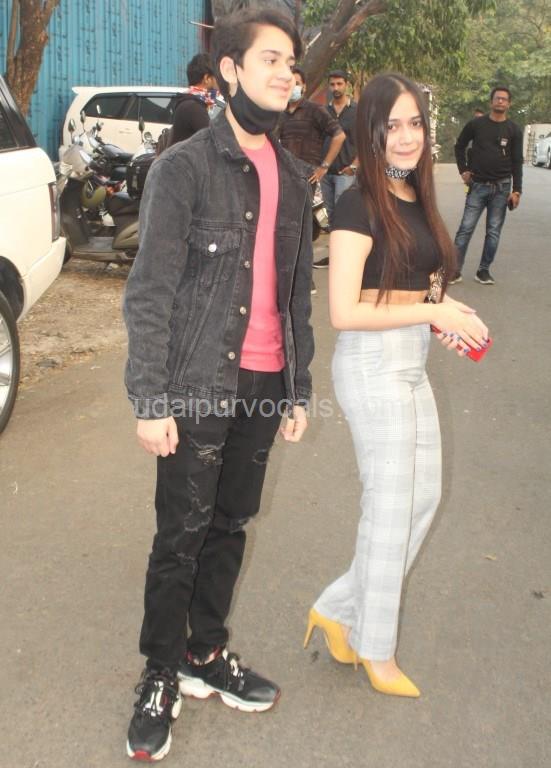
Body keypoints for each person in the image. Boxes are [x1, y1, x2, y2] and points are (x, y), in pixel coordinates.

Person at [123, 8, 314, 761]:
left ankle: (204, 653)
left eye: (290, 63)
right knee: (181, 536)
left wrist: (297, 388)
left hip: (264, 383)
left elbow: (295, 294)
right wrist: (151, 400)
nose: (285, 73)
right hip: (198, 383)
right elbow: (149, 292)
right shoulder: (184, 168)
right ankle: (159, 672)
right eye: (270, 59)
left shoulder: (294, 178)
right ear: (229, 70)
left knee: (230, 525)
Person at [304, 73, 489, 698]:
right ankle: (374, 648)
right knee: (389, 507)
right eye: (392, 126)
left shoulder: (413, 193)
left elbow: (414, 285)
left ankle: (336, 608)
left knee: (423, 496)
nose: (406, 137)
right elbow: (344, 311)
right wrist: (432, 310)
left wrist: (441, 317)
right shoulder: (358, 203)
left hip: (410, 356)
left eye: (415, 124)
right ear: (370, 133)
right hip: (371, 363)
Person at [278, 65, 345, 293]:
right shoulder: (281, 113)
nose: (293, 87)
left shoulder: (315, 111)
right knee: (287, 232)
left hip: (306, 179)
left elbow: (339, 135)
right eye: (289, 83)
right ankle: (290, 279)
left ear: (304, 87)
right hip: (284, 179)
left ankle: (307, 281)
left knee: (304, 231)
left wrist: (324, 166)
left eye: (297, 83)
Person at [450, 87, 523, 285]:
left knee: (493, 231)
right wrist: (463, 170)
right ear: (491, 102)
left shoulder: (514, 130)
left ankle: (483, 271)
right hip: (477, 186)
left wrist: (517, 190)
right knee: (465, 229)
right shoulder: (476, 124)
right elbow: (459, 146)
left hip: (502, 188)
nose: (500, 101)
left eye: (504, 99)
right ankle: (454, 271)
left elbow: (517, 161)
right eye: (497, 98)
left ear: (509, 104)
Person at [314, 69, 359, 269]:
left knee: (345, 215)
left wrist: (354, 166)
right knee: (331, 217)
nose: (336, 88)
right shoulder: (323, 111)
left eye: (339, 84)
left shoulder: (356, 111)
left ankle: (347, 258)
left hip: (346, 172)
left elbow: (365, 141)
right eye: (332, 84)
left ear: (346, 85)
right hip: (326, 173)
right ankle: (334, 256)